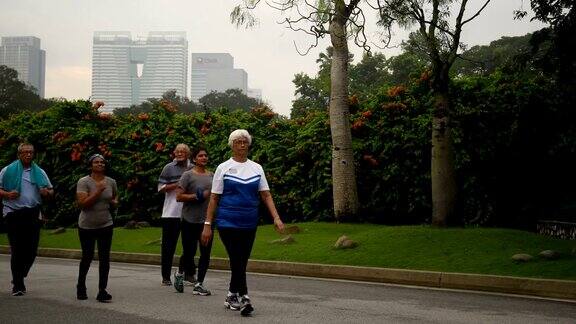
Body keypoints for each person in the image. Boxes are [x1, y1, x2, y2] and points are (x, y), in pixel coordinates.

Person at [201, 129, 285, 316]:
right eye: (238, 141)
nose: (242, 144)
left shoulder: (257, 168)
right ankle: (244, 297)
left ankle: (231, 294)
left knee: (240, 260)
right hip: (227, 221)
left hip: (249, 221)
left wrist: (276, 217)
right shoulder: (224, 167)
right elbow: (214, 198)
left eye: (244, 141)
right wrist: (208, 225)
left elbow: (266, 194)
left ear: (248, 144)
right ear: (232, 145)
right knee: (237, 258)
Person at [0, 143, 54, 296]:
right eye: (25, 152)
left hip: (32, 213)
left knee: (31, 250)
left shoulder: (39, 172)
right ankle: (18, 284)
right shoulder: (7, 170)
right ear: (19, 155)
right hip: (13, 212)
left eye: (31, 152)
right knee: (17, 249)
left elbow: (51, 190)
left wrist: (46, 193)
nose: (29, 155)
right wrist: (7, 195)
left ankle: (20, 274)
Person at [75, 154, 118, 302]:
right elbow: (82, 204)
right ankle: (81, 286)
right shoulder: (84, 182)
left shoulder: (111, 182)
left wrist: (114, 202)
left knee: (104, 258)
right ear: (91, 165)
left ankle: (102, 290)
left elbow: (114, 198)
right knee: (87, 257)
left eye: (102, 162)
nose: (100, 164)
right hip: (87, 225)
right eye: (96, 162)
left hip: (106, 223)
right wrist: (98, 191)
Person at [174, 147, 213, 295]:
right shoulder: (187, 175)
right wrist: (196, 197)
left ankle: (199, 283)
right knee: (189, 252)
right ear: (195, 159)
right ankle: (179, 273)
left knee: (205, 253)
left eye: (205, 155)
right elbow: (178, 196)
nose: (204, 158)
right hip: (189, 219)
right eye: (200, 155)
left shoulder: (212, 175)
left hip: (206, 221)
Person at [158, 143, 192, 286]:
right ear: (174, 153)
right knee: (168, 246)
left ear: (188, 153)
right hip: (171, 213)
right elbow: (160, 188)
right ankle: (166, 276)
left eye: (183, 151)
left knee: (189, 246)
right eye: (177, 152)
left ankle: (184, 272)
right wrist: (179, 184)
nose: (180, 154)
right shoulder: (168, 168)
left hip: (189, 213)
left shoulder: (193, 168)